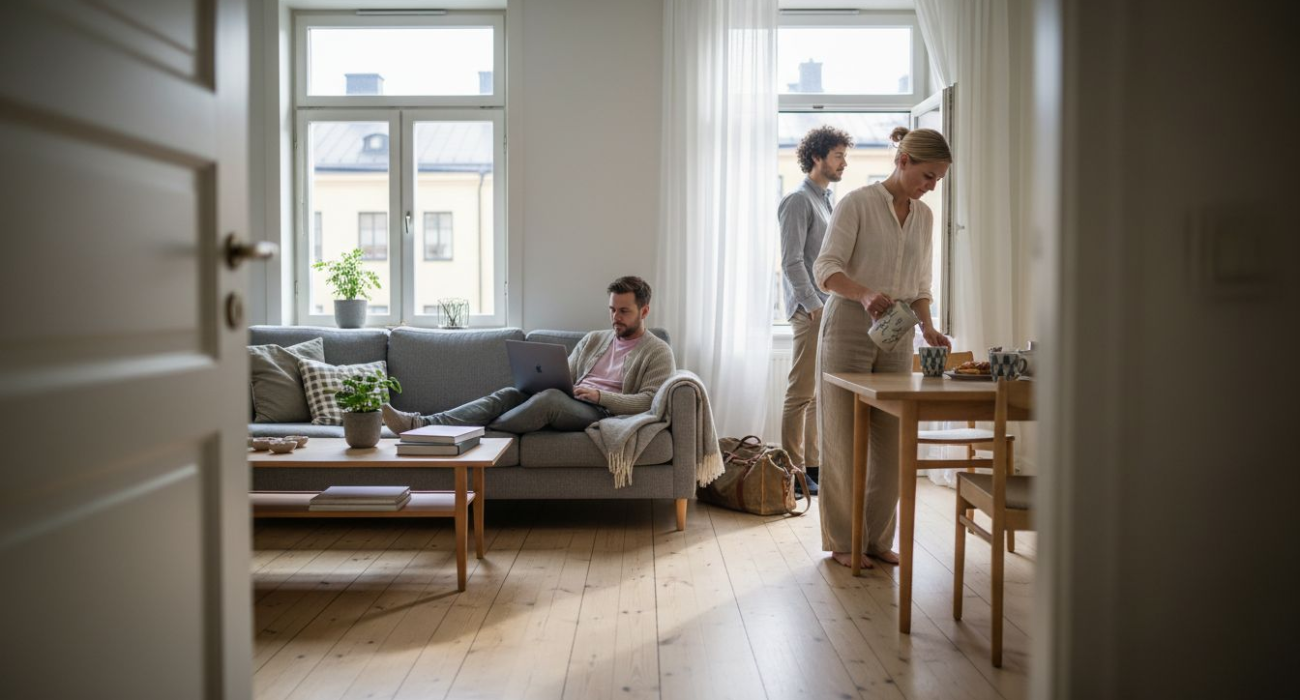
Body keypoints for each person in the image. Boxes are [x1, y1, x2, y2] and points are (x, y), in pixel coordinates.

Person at [812, 126, 953, 569]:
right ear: (903, 160)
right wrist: (864, 294)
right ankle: (843, 540)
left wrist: (929, 327)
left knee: (892, 442)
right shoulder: (856, 204)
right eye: (928, 176)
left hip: (898, 330)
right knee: (842, 438)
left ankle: (875, 539)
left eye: (938, 180)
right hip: (848, 326)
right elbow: (825, 269)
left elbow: (921, 286)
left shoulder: (924, 218)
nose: (931, 187)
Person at [381, 276, 675, 434]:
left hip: (601, 412)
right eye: (612, 310)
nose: (615, 317)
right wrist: (548, 380)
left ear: (644, 311)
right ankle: (421, 424)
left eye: (624, 311)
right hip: (573, 400)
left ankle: (476, 427)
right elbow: (565, 375)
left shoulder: (657, 350)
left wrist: (600, 396)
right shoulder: (594, 339)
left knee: (549, 400)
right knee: (509, 394)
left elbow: (649, 402)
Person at [779, 126, 852, 497]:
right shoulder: (797, 201)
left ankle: (811, 467)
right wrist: (813, 305)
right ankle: (791, 473)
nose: (844, 163)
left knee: (813, 395)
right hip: (810, 311)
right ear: (817, 157)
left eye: (844, 156)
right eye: (838, 156)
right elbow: (791, 261)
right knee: (799, 393)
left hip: (824, 308)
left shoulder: (826, 200)